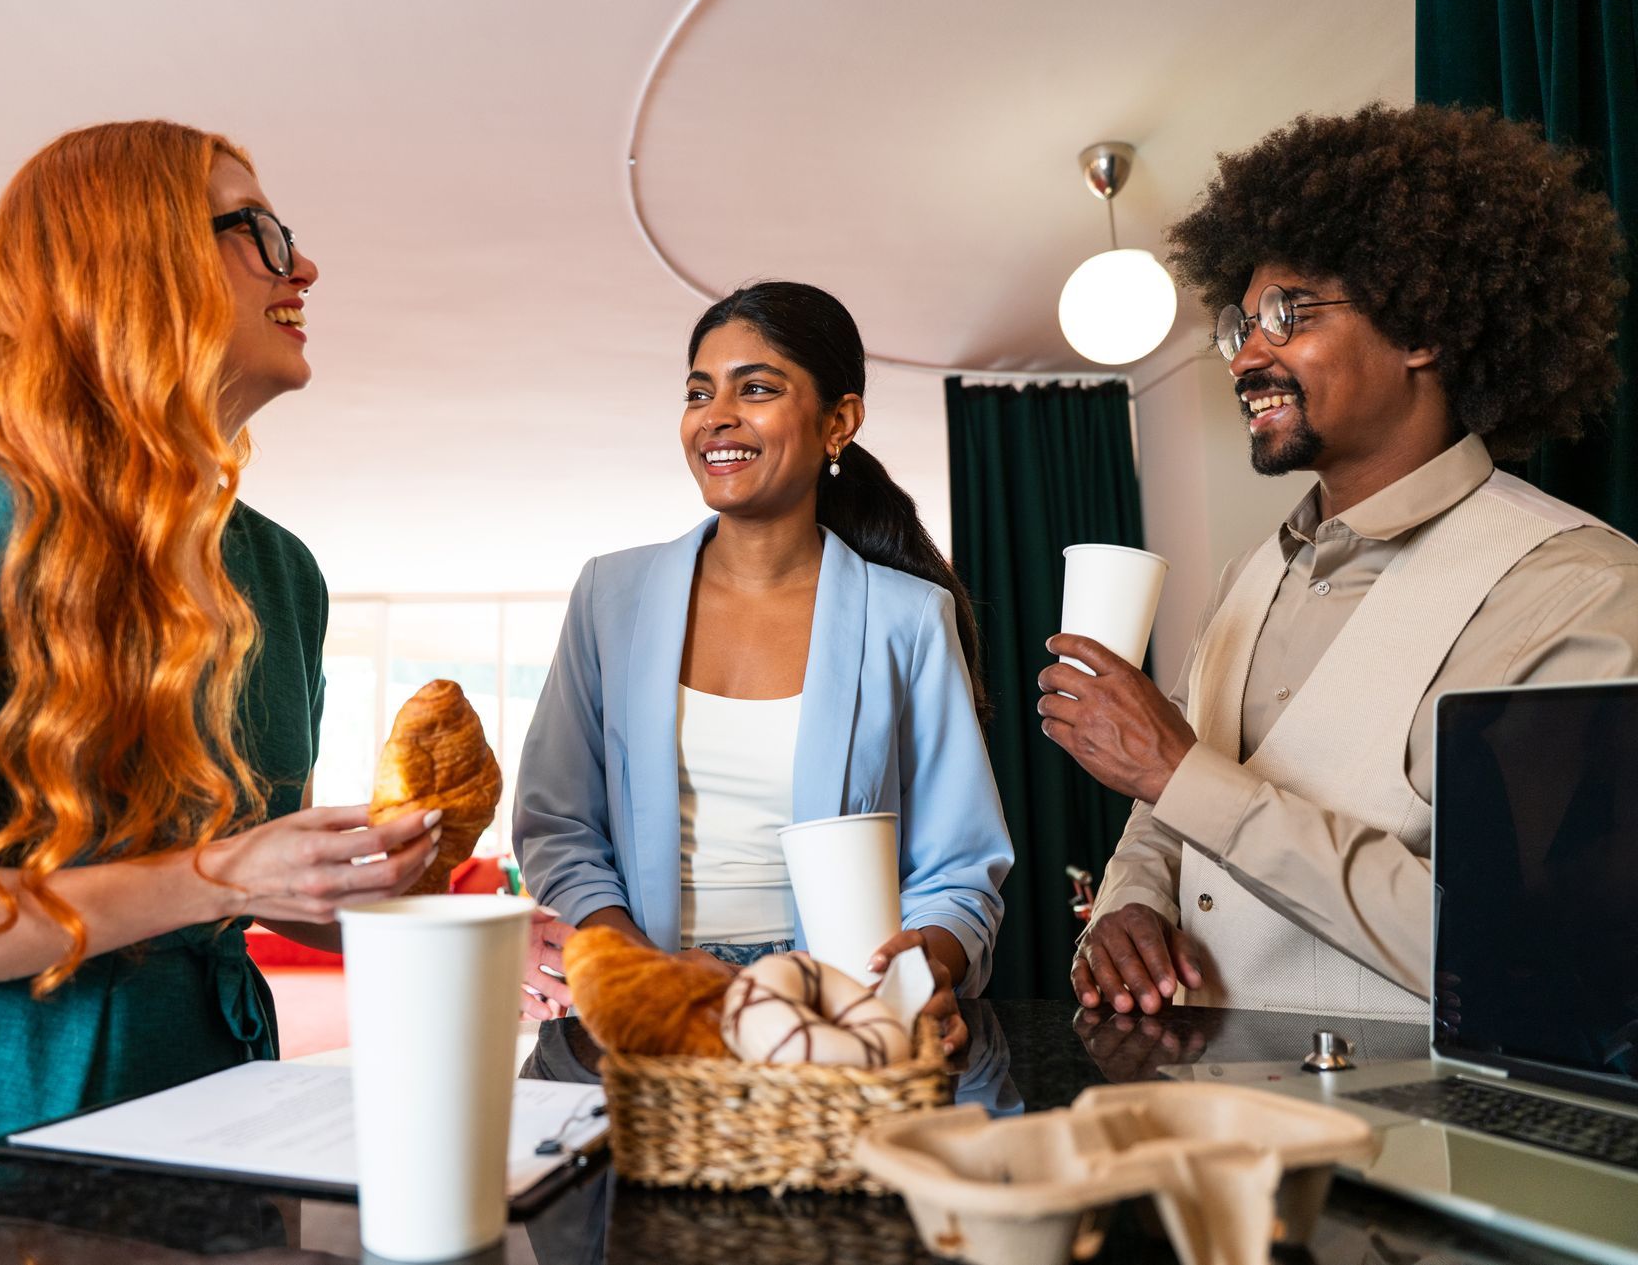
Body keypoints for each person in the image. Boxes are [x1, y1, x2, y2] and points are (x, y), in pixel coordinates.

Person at [0, 121, 441, 1202]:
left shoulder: (283, 573)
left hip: (211, 1125)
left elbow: (241, 877)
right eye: (258, 232)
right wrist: (214, 874)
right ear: (133, 262)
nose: (303, 266)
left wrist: (416, 910)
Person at [1040, 103, 1638, 1021]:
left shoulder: (1575, 589)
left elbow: (1518, 947)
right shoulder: (1247, 579)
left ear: (1421, 326)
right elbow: (1165, 817)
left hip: (1426, 1142)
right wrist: (1129, 905)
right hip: (1212, 1122)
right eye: (1239, 326)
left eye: (1290, 313)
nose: (1247, 358)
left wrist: (1178, 771)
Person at [515, 281, 1012, 1055]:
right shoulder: (609, 596)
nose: (715, 415)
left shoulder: (908, 617)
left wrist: (930, 963)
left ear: (838, 422)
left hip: (841, 1010)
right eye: (698, 391)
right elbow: (559, 826)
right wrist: (646, 968)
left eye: (756, 388)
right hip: (649, 1003)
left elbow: (959, 867)